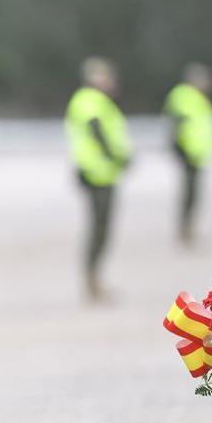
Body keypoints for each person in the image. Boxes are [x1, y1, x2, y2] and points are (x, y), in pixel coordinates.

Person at [64, 57, 130, 301]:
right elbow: (96, 130)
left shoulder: (95, 101)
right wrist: (116, 157)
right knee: (98, 229)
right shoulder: (89, 100)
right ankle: (92, 281)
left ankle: (95, 279)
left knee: (101, 228)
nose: (110, 81)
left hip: (102, 173)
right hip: (97, 173)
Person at [164, 63, 212, 246]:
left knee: (193, 192)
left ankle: (188, 227)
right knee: (189, 192)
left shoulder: (197, 98)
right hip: (188, 152)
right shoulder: (183, 96)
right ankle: (184, 228)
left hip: (197, 154)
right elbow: (175, 124)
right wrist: (178, 148)